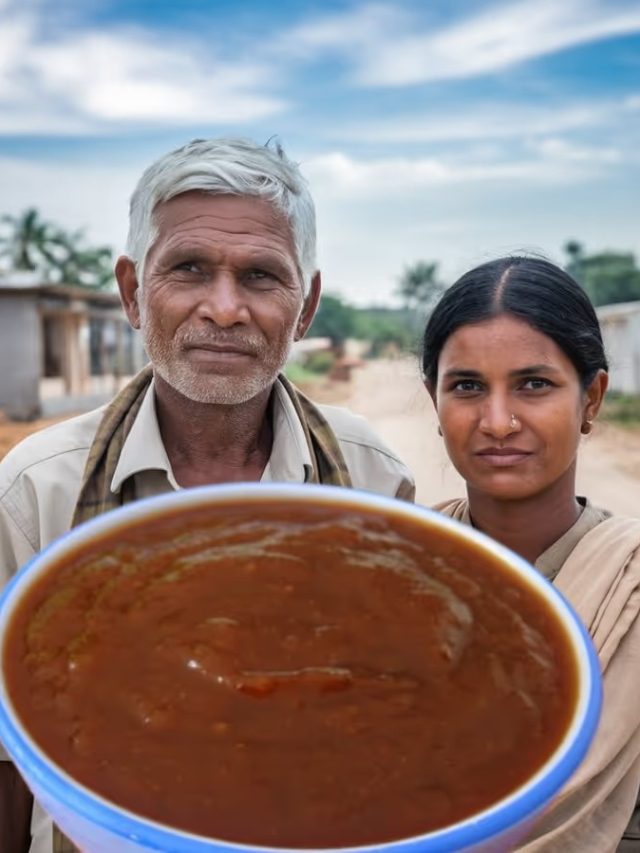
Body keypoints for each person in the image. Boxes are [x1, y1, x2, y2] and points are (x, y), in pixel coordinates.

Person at [0, 137, 414, 853]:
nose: (224, 309)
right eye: (189, 269)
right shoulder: (38, 488)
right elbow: (8, 758)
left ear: (306, 304)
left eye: (260, 276)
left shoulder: (370, 476)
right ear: (133, 290)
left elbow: (394, 715)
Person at [421, 255, 640, 852]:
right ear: (433, 401)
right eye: (466, 386)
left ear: (592, 398)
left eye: (534, 384)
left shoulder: (631, 585)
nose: (497, 421)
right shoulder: (397, 571)